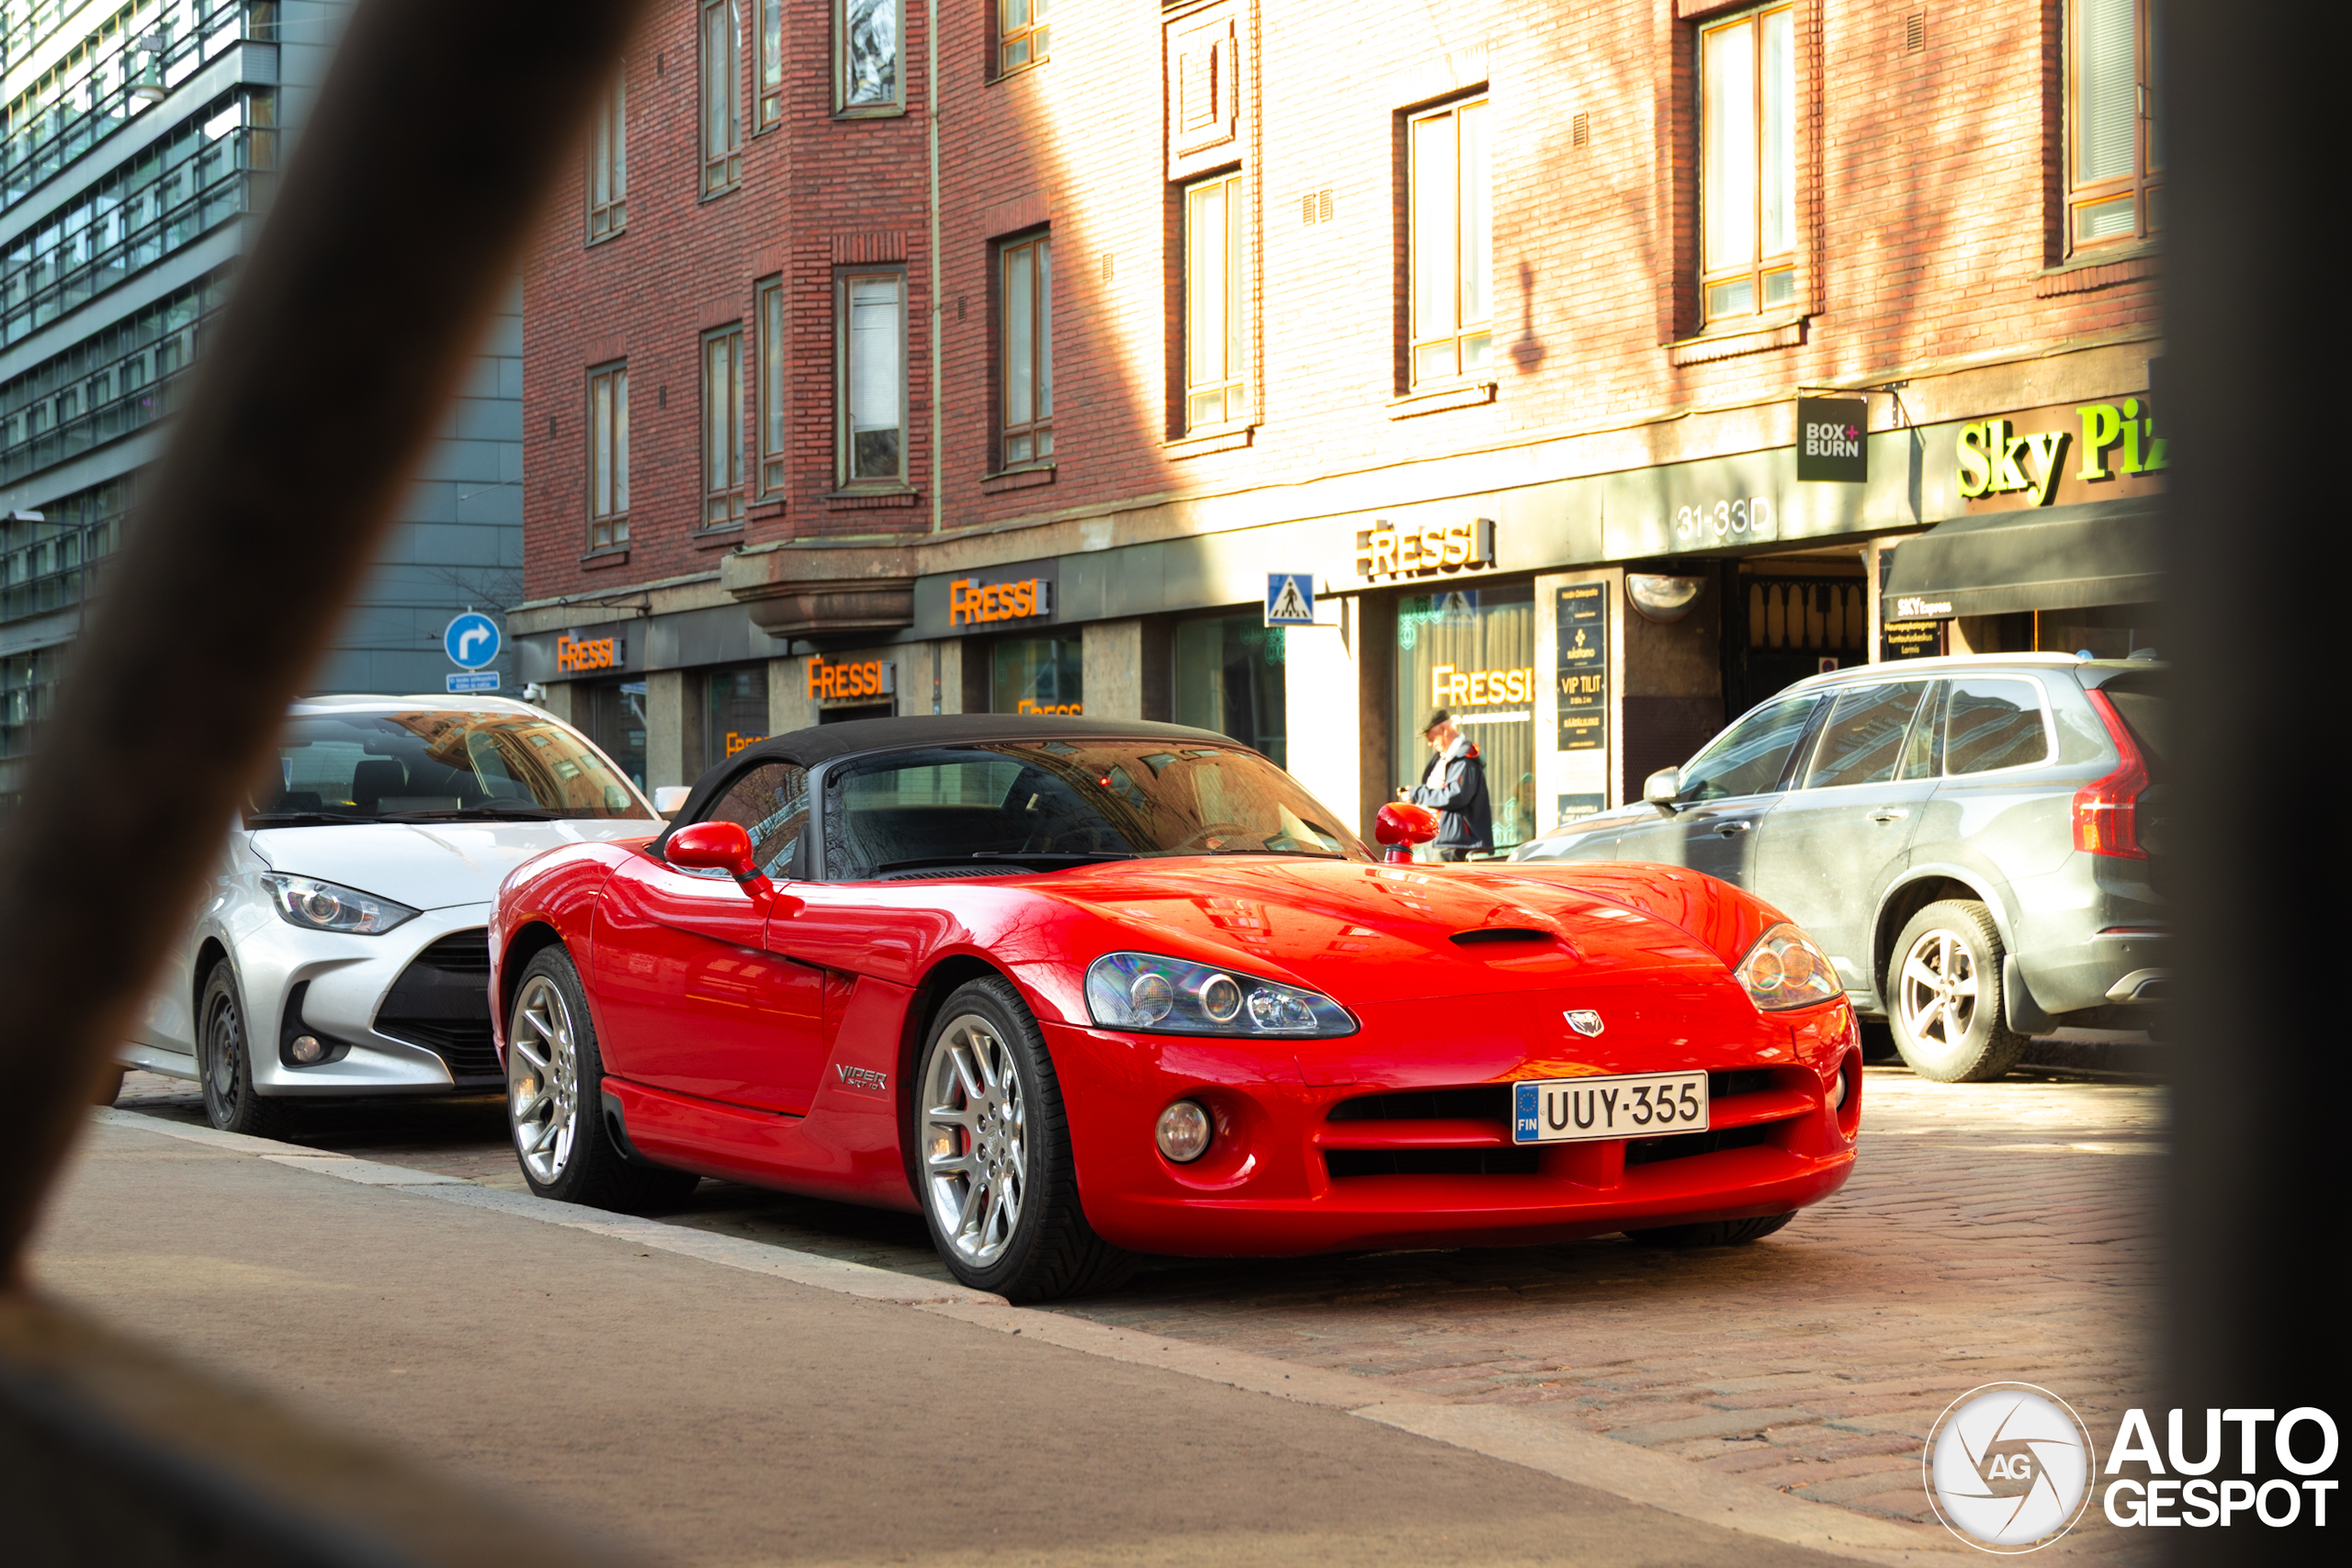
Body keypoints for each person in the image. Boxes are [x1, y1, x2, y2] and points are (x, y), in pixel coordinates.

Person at [1408, 708, 1490, 862]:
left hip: (1451, 842)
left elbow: (1456, 795)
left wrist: (1417, 793)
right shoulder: (1448, 757)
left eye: (1432, 738)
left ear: (1444, 730)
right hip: (1443, 839)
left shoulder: (1464, 758)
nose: (1429, 743)